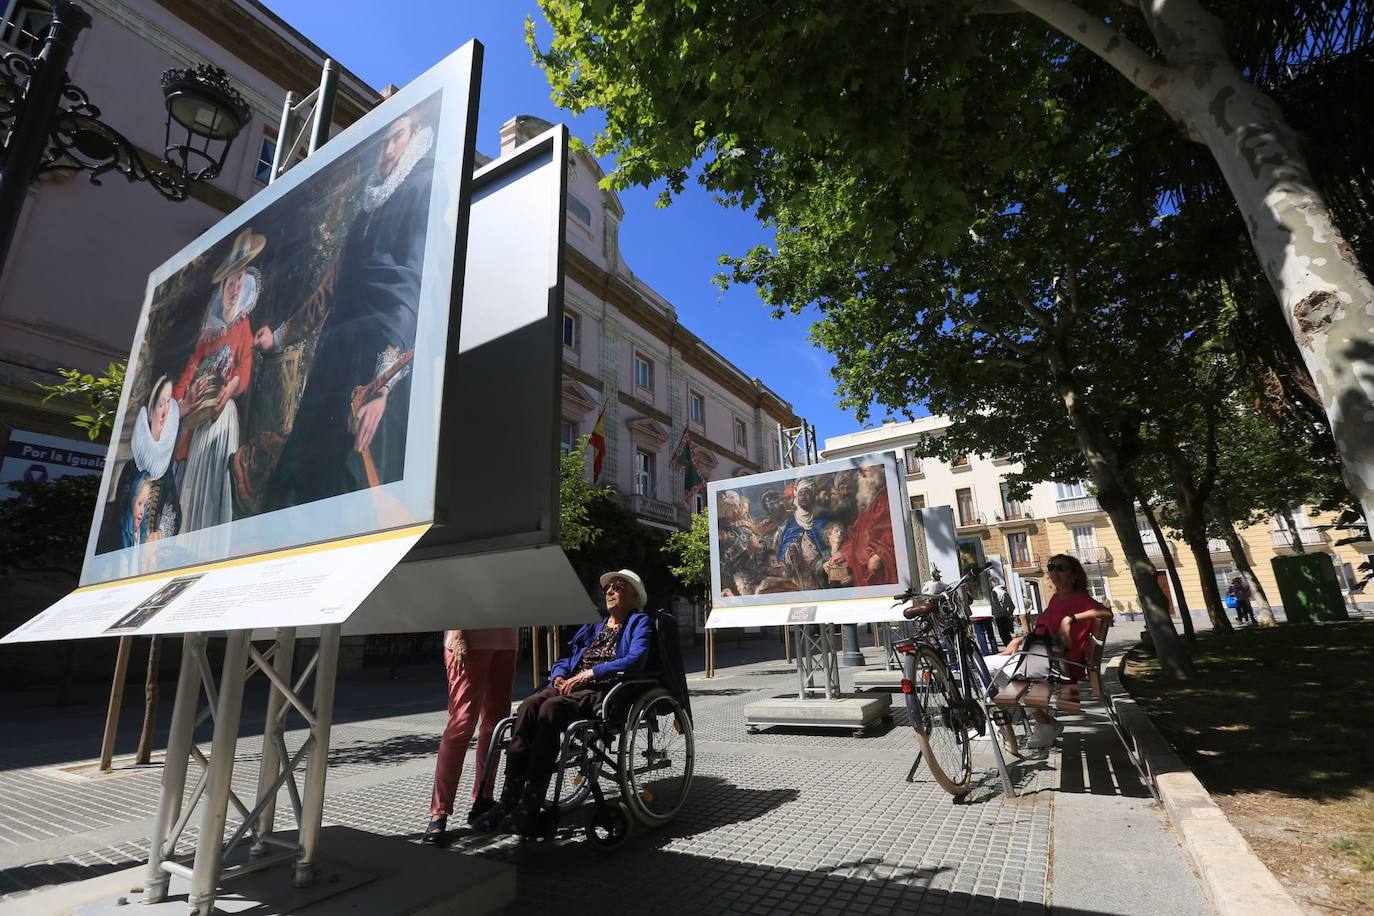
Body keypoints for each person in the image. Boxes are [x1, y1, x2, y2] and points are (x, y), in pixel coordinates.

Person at [262, 107, 435, 508]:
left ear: (417, 138)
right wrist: (280, 336)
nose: (387, 149)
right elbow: (330, 289)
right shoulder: (367, 210)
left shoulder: (423, 187)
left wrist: (383, 384)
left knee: (353, 479)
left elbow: (411, 282)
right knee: (303, 471)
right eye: (385, 140)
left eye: (398, 137)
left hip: (382, 354)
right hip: (334, 357)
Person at [472, 569, 653, 837]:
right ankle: (510, 799)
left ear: (634, 595)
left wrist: (591, 673)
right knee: (529, 705)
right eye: (607, 588)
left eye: (618, 586)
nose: (609, 591)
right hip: (571, 684)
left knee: (549, 710)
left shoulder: (640, 622)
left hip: (601, 689)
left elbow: (636, 658)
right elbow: (568, 657)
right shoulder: (596, 624)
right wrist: (558, 675)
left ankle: (531, 804)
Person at [173, 233, 260, 546]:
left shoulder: (243, 326)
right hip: (198, 418)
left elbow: (244, 367)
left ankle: (211, 546)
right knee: (191, 484)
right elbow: (190, 369)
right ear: (222, 288)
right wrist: (179, 404)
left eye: (239, 282)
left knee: (214, 480)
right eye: (229, 283)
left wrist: (233, 385)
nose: (233, 288)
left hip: (222, 418)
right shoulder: (207, 333)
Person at [983, 554, 1112, 750]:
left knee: (987, 668)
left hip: (1058, 665)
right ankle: (1033, 721)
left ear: (1074, 575)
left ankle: (1030, 722)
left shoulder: (1079, 598)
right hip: (1041, 657)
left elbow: (1106, 613)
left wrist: (1070, 619)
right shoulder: (1056, 597)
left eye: (1061, 568)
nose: (1054, 572)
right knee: (989, 667)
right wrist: (1020, 640)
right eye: (1051, 567)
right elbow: (1043, 632)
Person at [423, 626, 518, 843]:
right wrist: (457, 632)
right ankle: (440, 811)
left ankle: (484, 798)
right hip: (469, 639)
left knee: (495, 727)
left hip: (506, 639)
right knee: (461, 724)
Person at [845, 464, 897, 587]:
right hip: (863, 574)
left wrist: (878, 554)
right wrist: (841, 554)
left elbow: (889, 531)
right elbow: (854, 535)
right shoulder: (868, 505)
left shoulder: (884, 499)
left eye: (865, 472)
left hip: (879, 575)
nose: (861, 477)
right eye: (860, 474)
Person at [990, 576, 1017, 645]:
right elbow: (1012, 606)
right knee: (1007, 634)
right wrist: (1009, 614)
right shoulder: (1004, 592)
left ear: (992, 583)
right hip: (1005, 615)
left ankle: (1009, 648)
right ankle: (1011, 646)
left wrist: (997, 612)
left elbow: (996, 605)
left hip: (999, 616)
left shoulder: (994, 592)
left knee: (1003, 635)